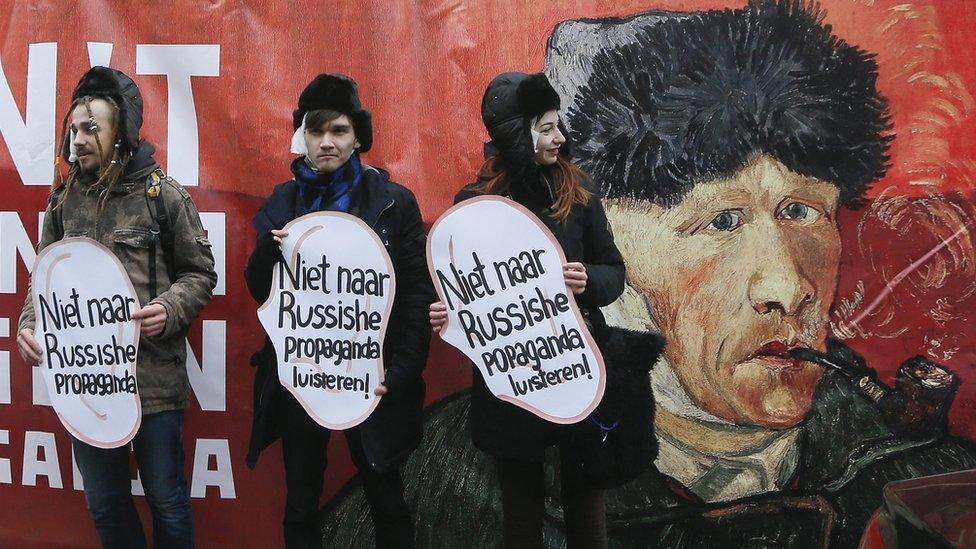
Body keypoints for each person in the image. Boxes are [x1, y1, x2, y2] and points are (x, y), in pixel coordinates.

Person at [322, 2, 976, 548]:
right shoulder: (454, 488)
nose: (788, 285)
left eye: (802, 210)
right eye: (720, 221)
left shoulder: (931, 480)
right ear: (616, 244)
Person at [427, 71, 639, 549]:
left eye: (558, 125)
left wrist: (589, 280)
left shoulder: (578, 190)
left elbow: (614, 271)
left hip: (576, 365)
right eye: (546, 127)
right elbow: (461, 294)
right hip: (511, 379)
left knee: (587, 505)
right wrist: (447, 317)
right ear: (517, 134)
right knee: (521, 516)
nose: (560, 137)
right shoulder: (474, 206)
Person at [16, 66, 217, 548]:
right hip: (87, 386)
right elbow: (42, 278)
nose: (78, 139)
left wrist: (170, 308)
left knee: (167, 500)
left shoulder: (162, 196)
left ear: (121, 131)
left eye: (92, 128)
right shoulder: (62, 201)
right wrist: (29, 324)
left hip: (154, 386)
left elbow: (201, 274)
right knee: (105, 504)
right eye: (74, 128)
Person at [243, 73, 434, 549]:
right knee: (301, 501)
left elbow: (414, 293)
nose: (326, 142)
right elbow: (260, 290)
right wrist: (268, 253)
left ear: (357, 137)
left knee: (385, 497)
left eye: (339, 131)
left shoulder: (393, 203)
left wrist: (404, 367)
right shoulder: (282, 202)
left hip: (371, 376)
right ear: (302, 135)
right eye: (315, 130)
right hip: (302, 377)